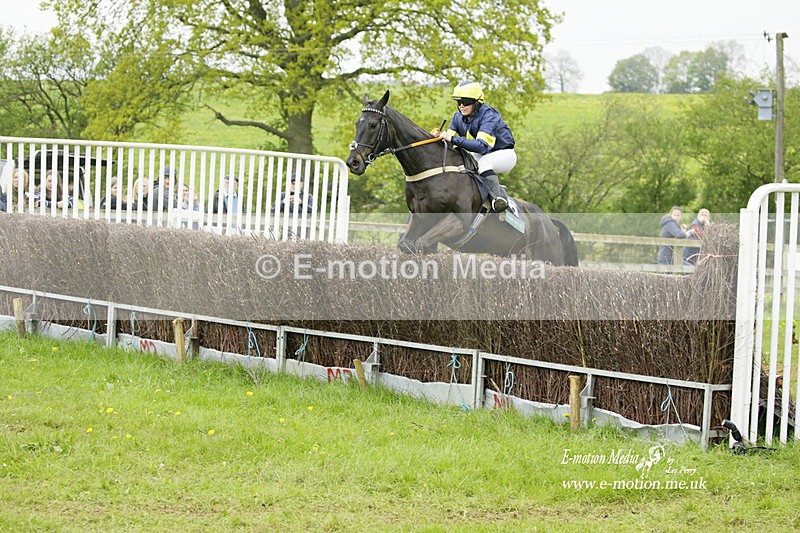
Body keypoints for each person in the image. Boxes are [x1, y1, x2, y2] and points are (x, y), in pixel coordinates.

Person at [437, 80, 516, 212]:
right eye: (458, 102)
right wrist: (436, 137)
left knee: (484, 163)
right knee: (461, 163)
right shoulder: (457, 117)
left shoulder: (489, 115)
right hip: (483, 154)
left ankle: (498, 199)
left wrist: (451, 138)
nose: (461, 106)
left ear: (477, 102)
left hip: (505, 154)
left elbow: (481, 146)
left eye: (466, 102)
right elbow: (449, 142)